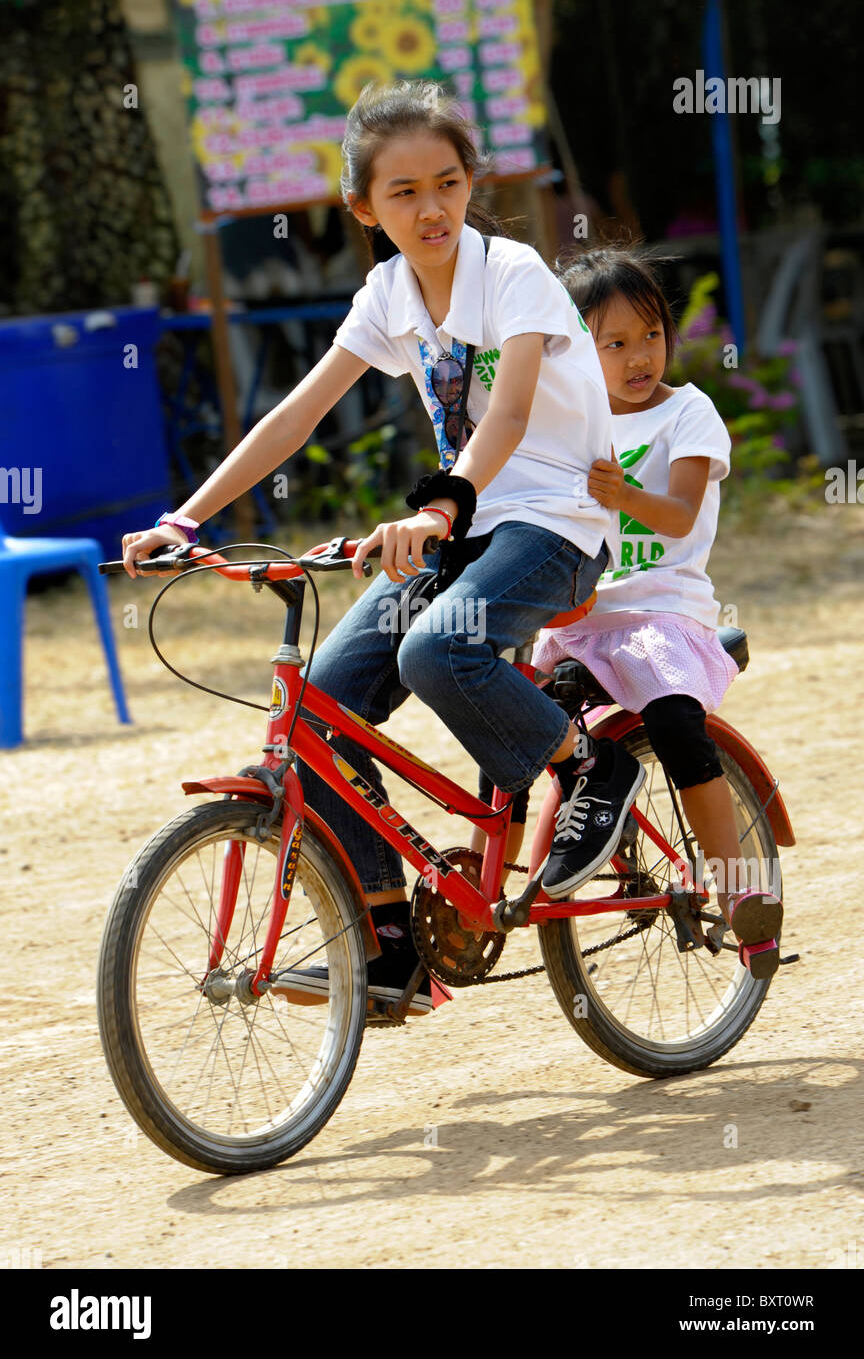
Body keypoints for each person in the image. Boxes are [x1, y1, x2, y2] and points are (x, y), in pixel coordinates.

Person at [120, 80, 645, 1014]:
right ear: (364, 209)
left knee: (438, 646)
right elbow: (299, 412)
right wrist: (186, 520)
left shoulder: (515, 274)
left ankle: (585, 762)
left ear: (472, 183)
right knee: (318, 710)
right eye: (403, 193)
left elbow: (512, 413)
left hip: (556, 520)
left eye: (447, 182)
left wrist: (441, 509)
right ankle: (391, 942)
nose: (431, 206)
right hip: (466, 526)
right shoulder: (388, 293)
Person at [476, 243, 783, 978]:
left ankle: (740, 890)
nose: (640, 355)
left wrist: (623, 496)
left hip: (664, 615)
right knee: (506, 717)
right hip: (580, 622)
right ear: (577, 349)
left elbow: (677, 517)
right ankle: (493, 888)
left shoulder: (690, 412)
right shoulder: (565, 425)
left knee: (676, 723)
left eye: (650, 334)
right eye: (615, 343)